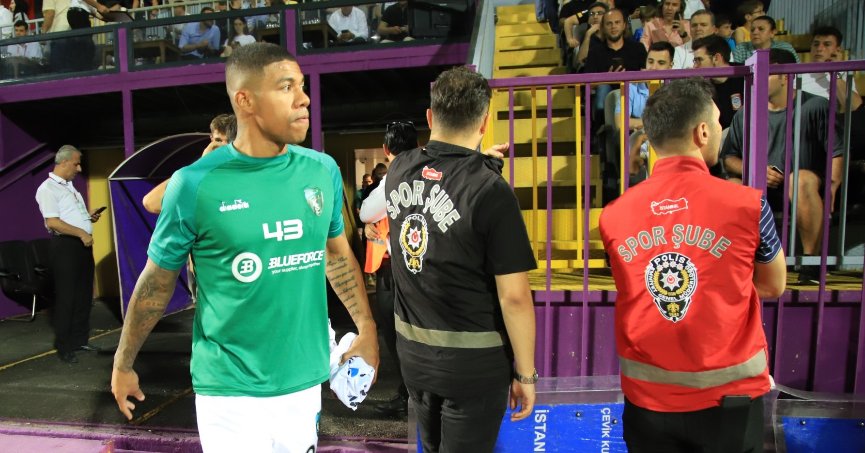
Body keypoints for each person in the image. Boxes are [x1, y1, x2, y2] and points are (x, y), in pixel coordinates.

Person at [111, 43, 379, 452]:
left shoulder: (320, 170)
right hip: (229, 393)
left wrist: (367, 328)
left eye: (301, 86)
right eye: (286, 87)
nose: (303, 98)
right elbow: (156, 283)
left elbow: (337, 255)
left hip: (303, 383)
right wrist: (123, 362)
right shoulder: (194, 183)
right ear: (245, 100)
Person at [600, 77, 786, 452]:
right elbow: (772, 285)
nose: (719, 129)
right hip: (729, 402)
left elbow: (634, 285)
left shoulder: (613, 215)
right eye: (717, 123)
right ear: (702, 132)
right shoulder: (749, 204)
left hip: (648, 402)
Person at [385, 67, 537, 452]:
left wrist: (477, 164)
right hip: (473, 364)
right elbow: (514, 297)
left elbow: (437, 176)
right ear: (485, 123)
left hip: (414, 353)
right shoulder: (491, 190)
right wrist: (526, 374)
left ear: (430, 117)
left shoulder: (398, 169)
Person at [721, 49, 839, 284]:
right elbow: (729, 158)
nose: (757, 78)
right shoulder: (745, 113)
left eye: (766, 73)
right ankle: (740, 263)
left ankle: (810, 264)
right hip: (760, 188)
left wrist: (833, 187)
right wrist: (755, 171)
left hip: (803, 186)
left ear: (785, 76)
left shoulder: (816, 105)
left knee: (800, 179)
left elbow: (837, 151)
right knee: (731, 186)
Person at [355, 121, 419, 418]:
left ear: (385, 149)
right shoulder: (431, 171)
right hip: (428, 267)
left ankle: (409, 396)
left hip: (398, 269)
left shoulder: (394, 176)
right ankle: (416, 395)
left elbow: (367, 212)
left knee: (395, 333)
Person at [35, 145, 105, 364]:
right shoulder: (48, 188)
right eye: (76, 164)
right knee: (67, 297)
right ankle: (64, 346)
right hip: (66, 246)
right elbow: (53, 222)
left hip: (82, 245)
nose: (79, 168)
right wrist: (81, 232)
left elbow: (69, 216)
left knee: (84, 295)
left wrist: (87, 217)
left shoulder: (70, 187)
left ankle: (79, 340)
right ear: (64, 162)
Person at [142, 114, 236, 214]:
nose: (224, 146)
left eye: (229, 141)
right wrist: (200, 165)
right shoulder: (200, 177)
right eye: (218, 140)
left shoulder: (245, 173)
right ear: (211, 140)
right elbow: (150, 202)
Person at [692, 34, 743, 129]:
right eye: (695, 61)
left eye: (699, 60)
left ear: (716, 58)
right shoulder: (701, 87)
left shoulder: (746, 76)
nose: (695, 66)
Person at [563, 1, 608, 73]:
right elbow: (568, 21)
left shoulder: (612, 33)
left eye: (600, 13)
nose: (595, 16)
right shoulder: (588, 12)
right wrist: (570, 39)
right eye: (592, 14)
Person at [731, 15, 798, 64]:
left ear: (772, 32)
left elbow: (798, 71)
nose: (755, 32)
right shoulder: (741, 48)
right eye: (752, 30)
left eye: (761, 29)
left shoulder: (785, 47)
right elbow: (737, 74)